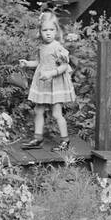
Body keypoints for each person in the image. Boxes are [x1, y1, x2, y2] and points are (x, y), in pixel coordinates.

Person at [19, 11, 75, 151]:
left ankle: (65, 141)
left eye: (51, 30)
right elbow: (39, 62)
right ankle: (38, 138)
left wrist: (51, 73)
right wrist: (27, 63)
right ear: (40, 31)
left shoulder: (57, 47)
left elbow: (64, 66)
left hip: (55, 85)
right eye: (45, 30)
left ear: (56, 30)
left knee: (56, 113)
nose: (48, 33)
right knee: (38, 110)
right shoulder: (41, 47)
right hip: (43, 84)